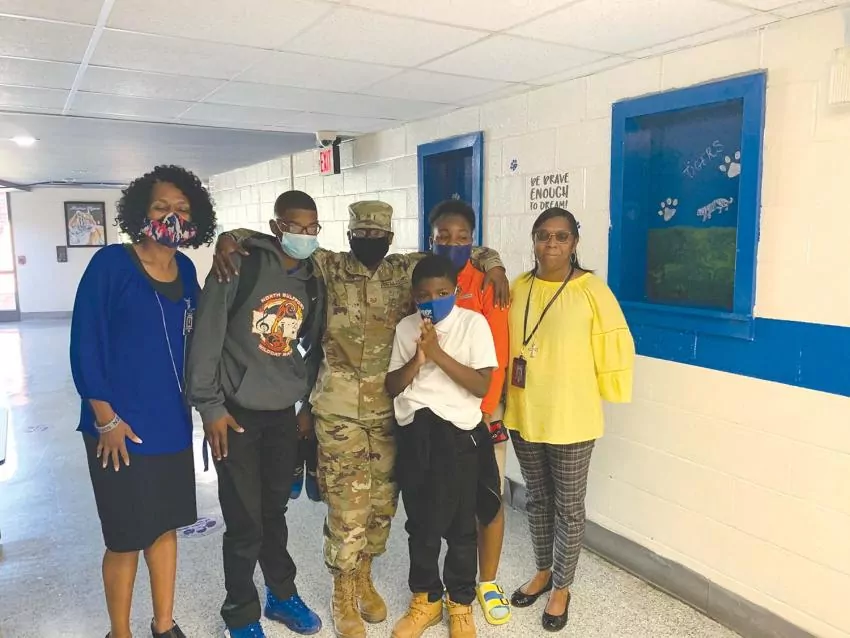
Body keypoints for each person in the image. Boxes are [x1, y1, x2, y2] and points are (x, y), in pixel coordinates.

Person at [212, 201, 508, 638]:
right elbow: (276, 241)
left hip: (389, 414)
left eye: (378, 235)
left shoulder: (404, 270)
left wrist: (494, 265)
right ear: (349, 234)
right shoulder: (327, 265)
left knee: (382, 509)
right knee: (348, 511)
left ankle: (365, 577)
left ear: (390, 237)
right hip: (339, 411)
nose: (370, 240)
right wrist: (230, 238)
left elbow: (453, 248)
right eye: (362, 233)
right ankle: (343, 592)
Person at [70, 165, 217, 638]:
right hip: (118, 429)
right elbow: (85, 344)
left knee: (165, 527)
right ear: (141, 213)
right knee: (125, 537)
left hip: (170, 424)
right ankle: (120, 632)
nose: (172, 217)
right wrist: (105, 420)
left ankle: (164, 625)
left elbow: (201, 336)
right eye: (161, 207)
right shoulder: (112, 264)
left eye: (182, 209)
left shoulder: (186, 270)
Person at [186, 190, 326, 638]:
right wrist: (210, 408)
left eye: (312, 228)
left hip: (282, 413)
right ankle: (240, 614)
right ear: (275, 227)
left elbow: (310, 346)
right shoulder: (238, 265)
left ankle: (281, 595)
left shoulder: (314, 278)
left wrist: (303, 403)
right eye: (295, 226)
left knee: (273, 513)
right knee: (244, 521)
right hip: (235, 415)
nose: (304, 235)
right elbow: (206, 338)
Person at [505, 207, 635, 632]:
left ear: (575, 242)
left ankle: (562, 586)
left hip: (572, 416)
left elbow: (615, 342)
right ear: (533, 240)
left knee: (569, 508)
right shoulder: (519, 286)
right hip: (525, 411)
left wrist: (612, 388)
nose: (552, 244)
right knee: (537, 499)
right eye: (543, 235)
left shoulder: (592, 290)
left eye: (561, 236)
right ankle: (543, 571)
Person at [386, 254, 501, 638]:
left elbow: (482, 386)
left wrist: (437, 353)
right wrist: (419, 359)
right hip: (416, 433)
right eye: (424, 295)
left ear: (456, 290)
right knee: (420, 524)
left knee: (461, 526)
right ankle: (426, 598)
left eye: (442, 293)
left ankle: (461, 602)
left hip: (459, 436)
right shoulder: (406, 328)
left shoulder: (473, 324)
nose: (432, 301)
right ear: (413, 296)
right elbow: (392, 386)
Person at [428, 200, 511, 625]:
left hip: (480, 415)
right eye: (443, 237)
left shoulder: (486, 284)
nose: (453, 243)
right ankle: (435, 586)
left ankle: (488, 582)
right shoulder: (420, 279)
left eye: (462, 237)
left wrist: (483, 413)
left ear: (473, 241)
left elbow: (497, 356)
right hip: (432, 415)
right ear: (431, 240)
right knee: (438, 501)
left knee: (488, 500)